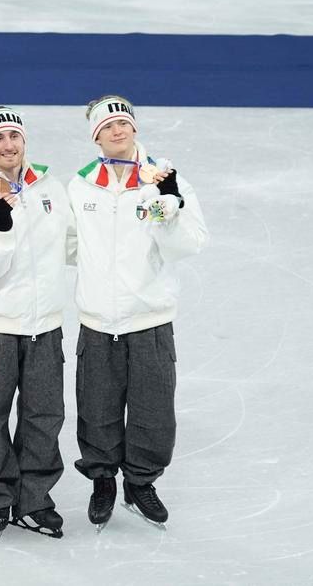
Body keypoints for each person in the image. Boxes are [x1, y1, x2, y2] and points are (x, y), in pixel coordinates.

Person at [68, 95, 208, 529]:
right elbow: (69, 245)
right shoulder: (81, 186)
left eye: (124, 123)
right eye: (108, 126)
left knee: (153, 411)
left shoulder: (163, 177)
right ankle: (103, 481)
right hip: (97, 320)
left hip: (150, 319)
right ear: (96, 136)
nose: (118, 130)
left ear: (134, 129)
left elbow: (191, 244)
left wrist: (169, 209)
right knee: (97, 409)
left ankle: (140, 482)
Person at [0, 107, 73, 540]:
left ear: (24, 140)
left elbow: (74, 242)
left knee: (44, 414)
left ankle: (35, 500)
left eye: (14, 136)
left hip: (45, 323)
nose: (8, 145)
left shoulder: (49, 187)